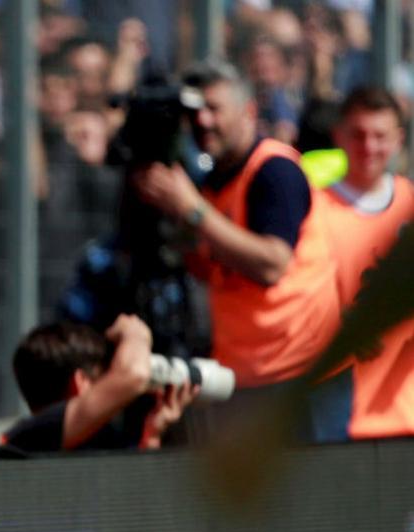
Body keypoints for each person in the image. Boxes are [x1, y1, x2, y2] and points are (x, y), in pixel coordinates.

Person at [132, 59, 341, 440]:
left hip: (296, 374)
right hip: (243, 376)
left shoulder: (273, 169)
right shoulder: (213, 182)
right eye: (195, 113)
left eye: (215, 109)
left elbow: (272, 264)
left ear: (248, 111)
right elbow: (212, 265)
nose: (203, 122)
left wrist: (191, 211)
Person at [319, 86, 414, 438]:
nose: (369, 147)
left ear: (399, 140)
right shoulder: (315, 211)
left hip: (405, 413)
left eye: (380, 136)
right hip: (336, 416)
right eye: (358, 135)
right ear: (339, 136)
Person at [3, 316, 198, 454]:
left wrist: (152, 435)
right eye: (105, 379)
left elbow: (135, 504)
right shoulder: (34, 437)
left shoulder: (44, 447)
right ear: (80, 383)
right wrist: (136, 334)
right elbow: (134, 375)